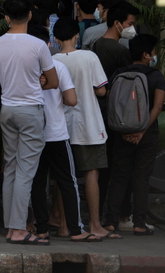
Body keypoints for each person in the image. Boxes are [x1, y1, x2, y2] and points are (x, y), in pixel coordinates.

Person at [0, 0, 58, 245]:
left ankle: (11, 227)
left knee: (11, 168)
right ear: (30, 15)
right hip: (30, 110)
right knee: (25, 172)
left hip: (7, 109)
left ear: (6, 17)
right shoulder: (38, 45)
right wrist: (39, 80)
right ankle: (19, 230)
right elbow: (53, 82)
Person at [27, 25, 101, 242]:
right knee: (67, 181)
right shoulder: (57, 67)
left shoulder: (23, 69)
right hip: (56, 133)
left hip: (31, 135)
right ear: (48, 45)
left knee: (37, 182)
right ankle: (76, 230)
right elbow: (71, 100)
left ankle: (40, 229)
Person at [52, 17, 120, 239]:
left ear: (55, 39)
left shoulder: (52, 60)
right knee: (92, 173)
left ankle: (63, 225)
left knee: (65, 177)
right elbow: (101, 90)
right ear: (77, 36)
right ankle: (95, 224)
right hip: (89, 125)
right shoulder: (89, 57)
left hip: (62, 127)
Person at [103, 34, 165, 236]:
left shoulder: (119, 73)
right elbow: (157, 107)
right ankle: (139, 223)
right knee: (141, 178)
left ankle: (111, 222)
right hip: (146, 134)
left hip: (121, 132)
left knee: (119, 177)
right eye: (154, 52)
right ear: (147, 54)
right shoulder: (155, 76)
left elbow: (112, 103)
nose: (154, 55)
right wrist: (141, 130)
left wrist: (124, 130)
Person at [92, 2, 142, 229]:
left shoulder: (96, 45)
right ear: (117, 23)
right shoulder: (121, 52)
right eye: (130, 24)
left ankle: (101, 214)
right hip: (117, 114)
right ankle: (121, 215)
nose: (132, 28)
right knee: (121, 167)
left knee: (103, 167)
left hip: (99, 112)